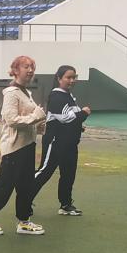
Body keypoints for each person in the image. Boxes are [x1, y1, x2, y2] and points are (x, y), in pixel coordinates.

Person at [0, 55, 46, 236]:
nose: (30, 70)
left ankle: (24, 221)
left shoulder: (26, 92)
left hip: (28, 146)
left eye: (32, 67)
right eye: (26, 67)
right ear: (15, 70)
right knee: (5, 184)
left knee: (26, 186)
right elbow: (11, 120)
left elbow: (26, 120)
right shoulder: (11, 93)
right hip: (14, 148)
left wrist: (38, 126)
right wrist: (35, 117)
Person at [33, 65, 91, 217]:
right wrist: (84, 113)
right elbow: (65, 118)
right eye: (68, 77)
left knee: (68, 174)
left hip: (70, 144)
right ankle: (24, 198)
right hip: (55, 142)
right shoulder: (56, 96)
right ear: (59, 79)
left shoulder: (69, 96)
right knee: (45, 171)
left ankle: (65, 205)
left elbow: (70, 119)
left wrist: (79, 126)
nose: (72, 80)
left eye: (74, 77)